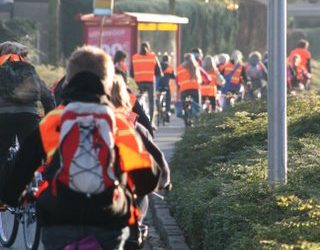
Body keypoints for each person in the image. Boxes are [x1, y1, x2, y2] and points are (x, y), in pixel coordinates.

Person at [0, 45, 159, 250]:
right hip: (108, 221)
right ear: (108, 81)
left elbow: (19, 170)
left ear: (69, 78)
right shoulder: (117, 123)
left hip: (60, 220)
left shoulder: (55, 121)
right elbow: (148, 177)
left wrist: (14, 197)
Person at [110, 77, 171, 246]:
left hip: (95, 190)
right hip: (127, 183)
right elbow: (155, 153)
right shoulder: (131, 121)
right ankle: (135, 227)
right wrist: (165, 180)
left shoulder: (88, 118)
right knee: (140, 193)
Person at [0, 41, 55, 205]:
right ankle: (43, 187)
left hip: (3, 116)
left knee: (1, 155)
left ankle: (3, 196)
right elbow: (47, 97)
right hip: (28, 115)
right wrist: (49, 119)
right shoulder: (29, 70)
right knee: (35, 151)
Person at [131, 42, 163, 125]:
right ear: (148, 48)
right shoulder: (153, 57)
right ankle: (151, 121)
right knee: (151, 102)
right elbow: (158, 71)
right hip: (150, 82)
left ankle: (136, 120)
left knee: (136, 102)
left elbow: (131, 73)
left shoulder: (135, 58)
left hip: (138, 83)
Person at [158, 54, 175, 121]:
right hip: (165, 86)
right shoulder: (169, 66)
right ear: (168, 60)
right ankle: (167, 111)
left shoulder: (159, 65)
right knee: (168, 98)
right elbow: (173, 76)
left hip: (158, 86)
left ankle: (158, 109)